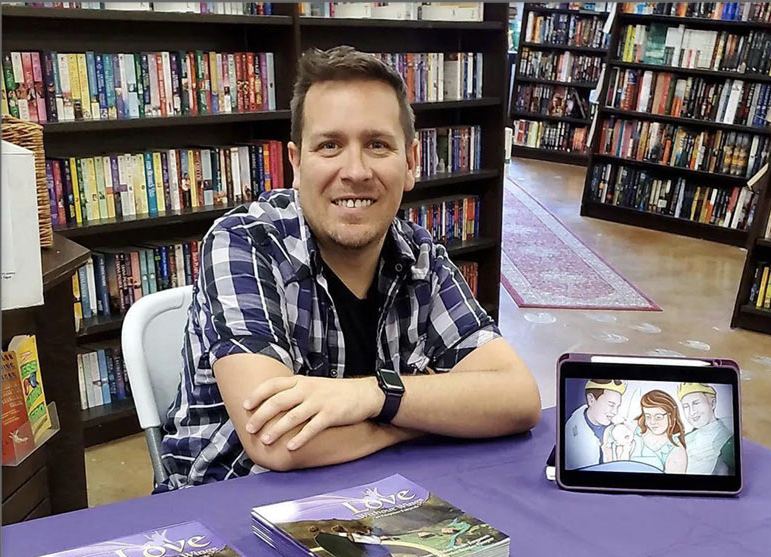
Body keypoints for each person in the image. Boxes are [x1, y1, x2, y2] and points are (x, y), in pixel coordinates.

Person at [157, 46, 541, 491]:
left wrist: (371, 396)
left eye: (377, 145)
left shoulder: (420, 254)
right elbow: (276, 442)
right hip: (227, 513)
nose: (354, 171)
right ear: (296, 165)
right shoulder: (244, 242)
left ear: (411, 162)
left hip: (378, 502)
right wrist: (435, 413)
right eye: (330, 145)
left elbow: (518, 399)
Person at [564, 379, 625, 469]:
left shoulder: (619, 427)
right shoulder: (571, 431)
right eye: (611, 405)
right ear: (591, 399)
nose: (615, 412)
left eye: (617, 407)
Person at [678, 383, 732, 475]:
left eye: (696, 403)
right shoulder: (683, 440)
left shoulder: (729, 441)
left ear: (713, 403)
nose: (692, 412)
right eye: (686, 406)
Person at [629, 390, 687, 474]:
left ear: (671, 416)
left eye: (658, 417)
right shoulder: (635, 429)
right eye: (648, 416)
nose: (652, 422)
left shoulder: (677, 450)